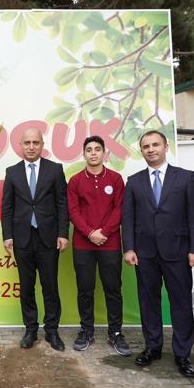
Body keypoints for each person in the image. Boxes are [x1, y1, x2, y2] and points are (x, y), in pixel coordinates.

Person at [122, 130, 194, 378]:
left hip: (178, 252)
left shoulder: (186, 178)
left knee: (180, 303)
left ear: (166, 147)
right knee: (148, 303)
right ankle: (152, 347)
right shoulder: (134, 181)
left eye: (155, 144)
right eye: (145, 146)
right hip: (144, 253)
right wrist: (129, 247)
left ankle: (182, 353)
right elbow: (128, 217)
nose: (151, 149)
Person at [2, 128, 69, 351]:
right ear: (21, 145)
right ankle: (30, 330)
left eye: (36, 142)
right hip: (22, 239)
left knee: (50, 287)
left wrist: (62, 233)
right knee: (27, 287)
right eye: (27, 143)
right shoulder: (12, 172)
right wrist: (7, 236)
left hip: (48, 238)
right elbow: (7, 207)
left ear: (42, 145)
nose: (32, 147)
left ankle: (52, 331)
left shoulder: (55, 170)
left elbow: (62, 204)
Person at [67, 135, 130, 355]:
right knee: (85, 289)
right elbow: (72, 211)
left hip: (110, 243)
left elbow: (119, 209)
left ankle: (115, 333)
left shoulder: (115, 179)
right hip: (83, 245)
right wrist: (89, 233)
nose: (93, 153)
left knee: (113, 289)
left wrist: (103, 232)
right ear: (83, 154)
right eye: (89, 150)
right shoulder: (75, 181)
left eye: (97, 149)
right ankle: (86, 330)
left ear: (105, 154)